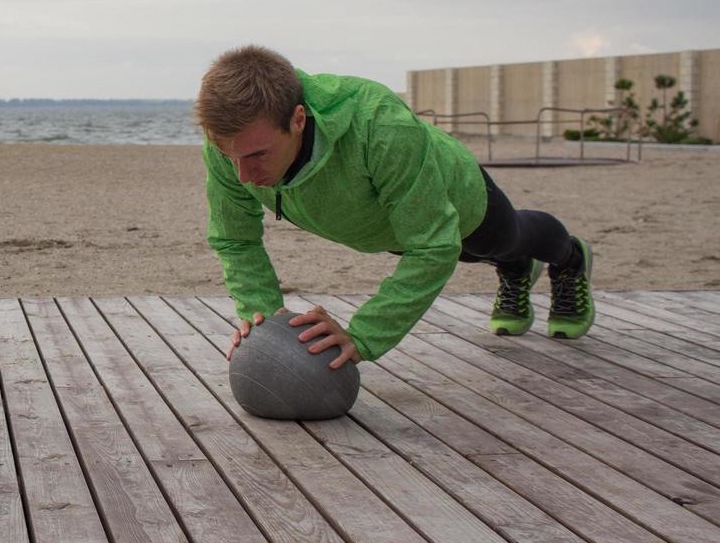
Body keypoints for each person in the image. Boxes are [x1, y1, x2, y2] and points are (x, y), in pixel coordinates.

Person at [196, 45, 594, 368]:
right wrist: (265, 322)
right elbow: (236, 241)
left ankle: (569, 258)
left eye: (257, 156)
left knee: (506, 241)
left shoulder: (379, 124)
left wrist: (363, 335)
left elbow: (433, 246)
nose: (244, 176)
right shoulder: (234, 145)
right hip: (388, 224)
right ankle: (515, 269)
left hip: (457, 197)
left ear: (298, 119)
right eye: (230, 157)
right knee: (471, 257)